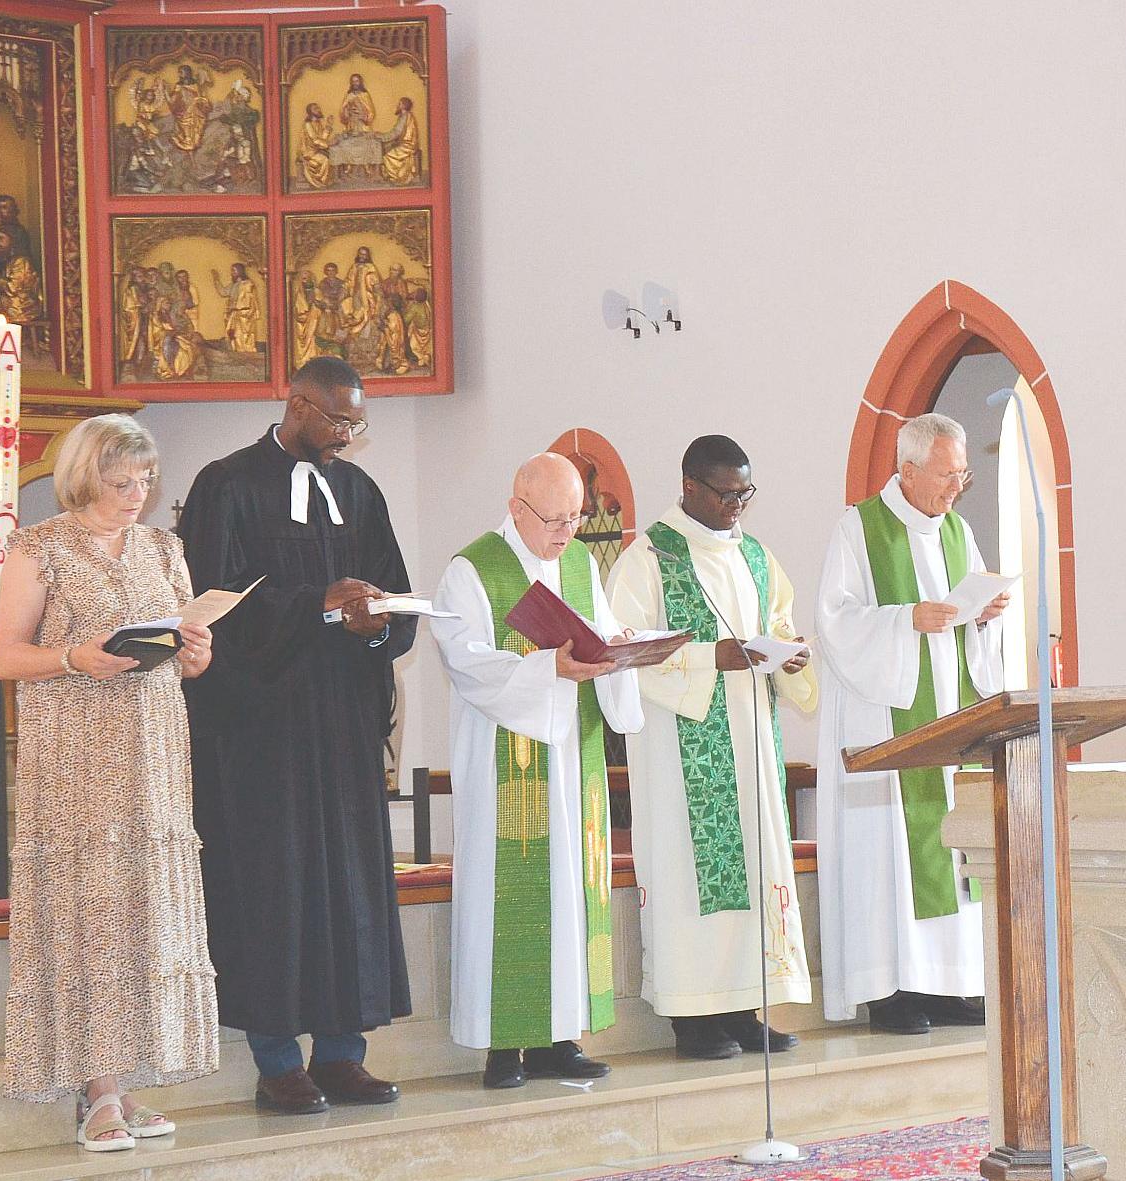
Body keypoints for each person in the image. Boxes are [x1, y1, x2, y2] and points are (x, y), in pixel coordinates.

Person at [178, 357, 416, 1114]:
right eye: (338, 420)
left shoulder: (359, 491)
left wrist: (375, 625)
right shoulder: (227, 484)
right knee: (274, 885)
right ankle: (277, 1055)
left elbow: (396, 602)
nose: (347, 435)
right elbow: (212, 601)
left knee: (348, 883)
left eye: (356, 424)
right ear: (299, 403)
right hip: (263, 726)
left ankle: (343, 1051)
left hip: (343, 724)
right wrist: (316, 604)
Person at [0, 414, 218, 1151]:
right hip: (78, 750)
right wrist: (72, 658)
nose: (137, 494)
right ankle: (97, 1092)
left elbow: (186, 658)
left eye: (146, 480)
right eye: (122, 481)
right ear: (87, 475)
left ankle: (128, 1080)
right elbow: (6, 656)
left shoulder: (164, 547)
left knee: (143, 907)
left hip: (152, 749)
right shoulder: (39, 547)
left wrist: (196, 650)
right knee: (94, 911)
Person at [429, 453, 644, 1088]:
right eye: (554, 519)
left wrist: (621, 649)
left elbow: (600, 635)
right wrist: (545, 668)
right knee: (509, 898)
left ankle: (560, 1036)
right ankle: (502, 1045)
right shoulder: (473, 569)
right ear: (517, 507)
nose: (566, 533)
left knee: (571, 897)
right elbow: (465, 662)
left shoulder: (578, 563)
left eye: (576, 518)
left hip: (572, 761)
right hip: (506, 763)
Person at [608, 436, 817, 1060]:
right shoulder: (647, 559)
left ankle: (743, 1005)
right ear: (689, 487)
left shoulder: (755, 555)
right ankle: (691, 1018)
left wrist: (788, 653)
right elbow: (620, 649)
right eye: (726, 494)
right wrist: (709, 659)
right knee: (686, 873)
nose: (737, 507)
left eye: (745, 494)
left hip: (750, 740)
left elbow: (779, 622)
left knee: (751, 867)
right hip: (681, 754)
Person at [814, 413, 1009, 1034]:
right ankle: (890, 989)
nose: (959, 488)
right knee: (889, 855)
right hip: (886, 722)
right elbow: (835, 623)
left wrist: (983, 617)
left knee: (946, 846)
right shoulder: (859, 530)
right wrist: (904, 621)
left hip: (946, 717)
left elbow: (968, 628)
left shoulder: (957, 531)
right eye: (949, 474)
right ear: (908, 469)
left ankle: (950, 984)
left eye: (964, 474)